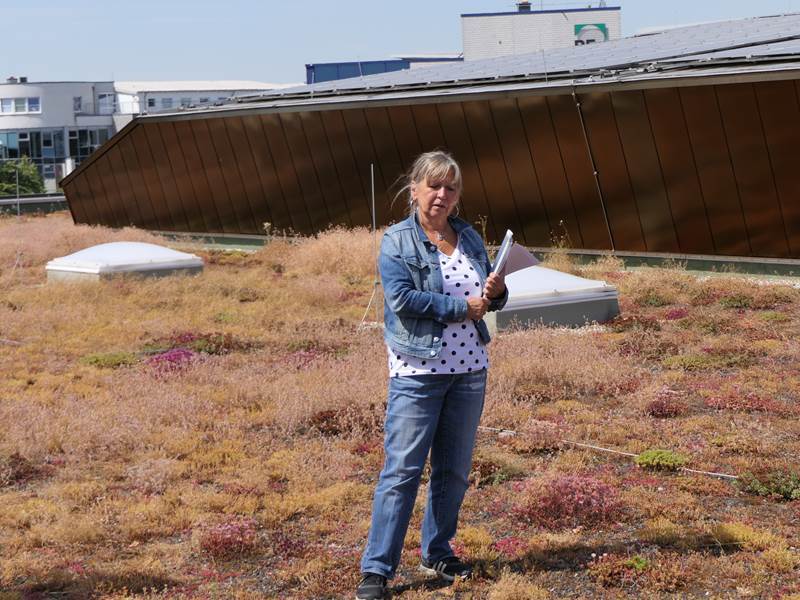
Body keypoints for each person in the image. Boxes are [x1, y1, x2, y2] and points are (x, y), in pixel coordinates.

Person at [356, 150, 507, 600]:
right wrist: (462, 308)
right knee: (402, 471)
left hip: (469, 369)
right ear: (415, 190)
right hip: (418, 370)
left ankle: (437, 552)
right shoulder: (397, 240)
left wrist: (497, 291)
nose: (442, 195)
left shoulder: (469, 236)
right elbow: (402, 299)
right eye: (434, 186)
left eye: (450, 187)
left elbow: (487, 297)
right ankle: (377, 570)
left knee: (454, 471)